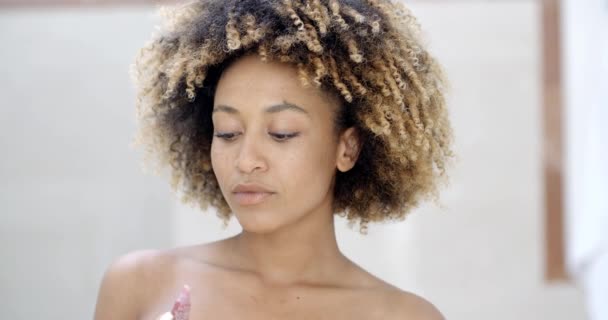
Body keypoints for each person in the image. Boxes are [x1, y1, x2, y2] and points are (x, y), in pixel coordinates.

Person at [94, 0, 453, 319]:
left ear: (347, 148)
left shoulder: (402, 316)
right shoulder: (139, 286)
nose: (246, 161)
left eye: (281, 133)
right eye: (228, 132)